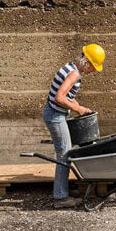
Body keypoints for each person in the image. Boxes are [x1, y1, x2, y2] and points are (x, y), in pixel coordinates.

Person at [43, 43, 105, 208]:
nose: (93, 71)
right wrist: (78, 109)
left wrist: (81, 109)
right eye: (94, 67)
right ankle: (60, 197)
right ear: (87, 63)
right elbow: (59, 98)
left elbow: (67, 96)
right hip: (55, 116)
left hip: (55, 114)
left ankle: (62, 190)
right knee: (64, 154)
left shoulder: (70, 67)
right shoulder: (74, 74)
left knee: (65, 151)